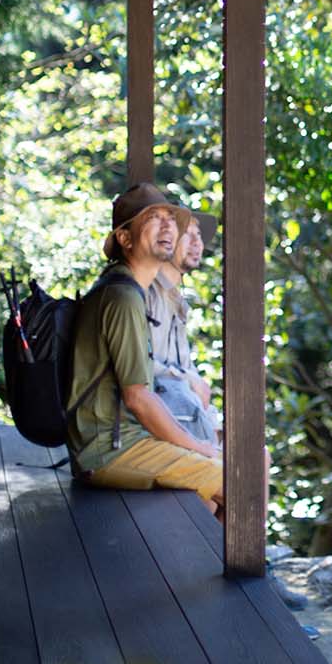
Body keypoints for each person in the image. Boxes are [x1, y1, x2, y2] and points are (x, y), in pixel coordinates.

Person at [65, 183, 224, 518]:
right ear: (125, 238)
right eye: (153, 218)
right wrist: (198, 446)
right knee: (232, 478)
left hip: (117, 440)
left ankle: (196, 567)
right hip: (109, 449)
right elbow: (138, 397)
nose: (168, 226)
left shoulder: (127, 290)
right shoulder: (122, 297)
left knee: (211, 491)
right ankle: (237, 569)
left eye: (171, 219)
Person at [147, 205, 220, 445]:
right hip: (151, 425)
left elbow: (186, 371)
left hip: (181, 418)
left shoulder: (177, 300)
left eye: (198, 236)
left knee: (255, 455)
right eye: (187, 234)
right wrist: (189, 380)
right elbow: (138, 366)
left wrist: (216, 425)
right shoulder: (147, 292)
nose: (197, 243)